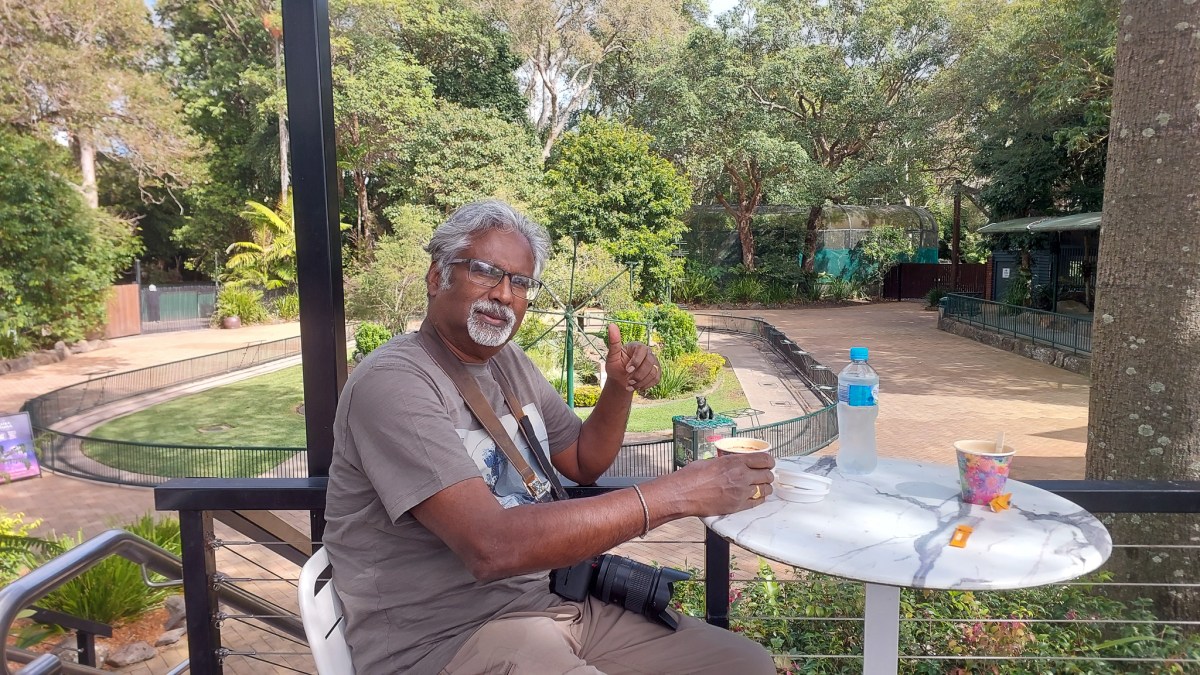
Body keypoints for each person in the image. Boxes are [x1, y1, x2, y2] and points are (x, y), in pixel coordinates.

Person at [324, 199, 777, 674]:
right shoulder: (395, 383)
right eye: (485, 272)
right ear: (437, 277)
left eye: (520, 282)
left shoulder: (507, 362)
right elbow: (490, 547)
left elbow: (583, 460)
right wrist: (677, 495)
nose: (504, 294)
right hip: (446, 640)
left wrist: (619, 387)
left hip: (551, 603)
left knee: (741, 663)